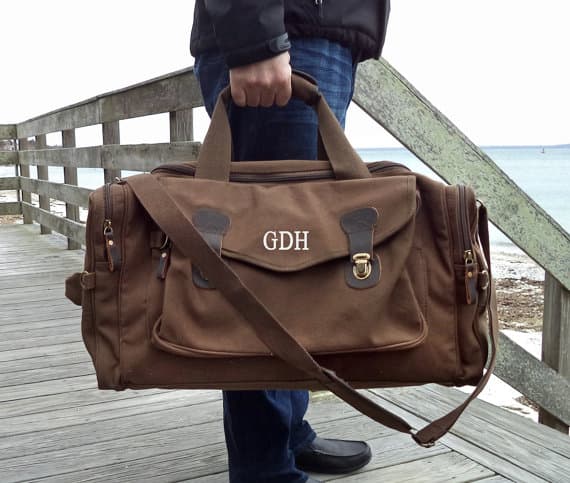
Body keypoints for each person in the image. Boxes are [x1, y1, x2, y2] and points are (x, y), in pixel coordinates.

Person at [190, 1, 390, 482]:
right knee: (260, 270)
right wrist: (255, 38)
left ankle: (287, 433)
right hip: (282, 35)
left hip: (322, 36)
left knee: (299, 270)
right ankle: (265, 469)